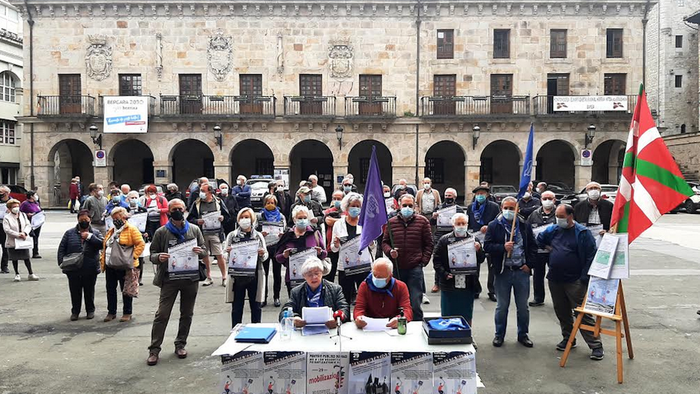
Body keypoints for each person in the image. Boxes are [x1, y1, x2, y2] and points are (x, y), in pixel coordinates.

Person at [536, 204, 604, 360]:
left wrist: (584, 279)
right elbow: (539, 239)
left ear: (570, 216)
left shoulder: (582, 233)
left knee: (582, 313)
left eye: (561, 217)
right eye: (557, 217)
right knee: (562, 311)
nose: (558, 219)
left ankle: (596, 345)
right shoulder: (553, 230)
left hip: (575, 280)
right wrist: (548, 246)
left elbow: (590, 257)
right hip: (555, 278)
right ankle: (568, 338)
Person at [147, 198, 207, 366]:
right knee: (162, 314)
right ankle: (154, 349)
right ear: (169, 211)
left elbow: (204, 250)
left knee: (187, 313)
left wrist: (200, 251)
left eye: (180, 208)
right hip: (169, 279)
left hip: (190, 278)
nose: (177, 211)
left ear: (185, 209)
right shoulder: (161, 232)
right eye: (174, 209)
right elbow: (152, 253)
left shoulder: (194, 230)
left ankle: (181, 344)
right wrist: (158, 257)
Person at [484, 196, 537, 348]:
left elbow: (533, 247)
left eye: (511, 208)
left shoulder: (524, 225)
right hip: (503, 272)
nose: (508, 211)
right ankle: (499, 334)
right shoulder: (494, 225)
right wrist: (502, 247)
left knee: (523, 307)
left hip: (521, 271)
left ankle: (523, 334)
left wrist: (529, 265)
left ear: (517, 209)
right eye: (506, 208)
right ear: (501, 208)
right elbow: (487, 246)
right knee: (502, 306)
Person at [381, 194, 433, 321]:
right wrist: (390, 252)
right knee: (396, 302)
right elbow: (385, 242)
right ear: (399, 205)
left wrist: (423, 261)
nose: (407, 208)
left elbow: (429, 244)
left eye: (410, 205)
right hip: (397, 267)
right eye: (405, 205)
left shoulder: (423, 221)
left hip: (415, 267)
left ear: (414, 206)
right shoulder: (391, 222)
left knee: (415, 302)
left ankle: (417, 326)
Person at [433, 213, 485, 327]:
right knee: (448, 313)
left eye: (463, 223)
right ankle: (448, 336)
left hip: (468, 283)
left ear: (467, 224)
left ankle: (467, 335)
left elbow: (481, 259)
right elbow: (436, 261)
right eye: (458, 224)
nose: (461, 226)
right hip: (449, 283)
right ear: (453, 225)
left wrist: (478, 250)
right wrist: (444, 274)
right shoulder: (444, 240)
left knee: (466, 313)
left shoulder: (473, 239)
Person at [100, 207, 145, 323]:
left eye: (117, 218)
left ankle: (127, 312)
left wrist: (133, 257)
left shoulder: (131, 229)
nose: (115, 220)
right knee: (110, 289)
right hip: (111, 264)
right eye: (113, 218)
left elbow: (140, 244)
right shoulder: (112, 230)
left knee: (126, 290)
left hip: (125, 265)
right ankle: (111, 312)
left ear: (124, 217)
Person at [57, 209, 104, 320]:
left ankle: (90, 311)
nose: (84, 221)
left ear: (90, 220)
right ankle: (75, 312)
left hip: (90, 267)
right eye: (81, 219)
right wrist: (62, 263)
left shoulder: (96, 233)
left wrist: (90, 237)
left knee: (89, 291)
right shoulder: (69, 233)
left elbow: (102, 245)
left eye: (86, 219)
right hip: (73, 268)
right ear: (78, 220)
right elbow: (61, 249)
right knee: (75, 291)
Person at [225, 207, 268, 327]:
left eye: (247, 217)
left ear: (252, 219)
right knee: (237, 307)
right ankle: (235, 331)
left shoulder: (258, 236)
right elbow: (224, 255)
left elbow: (265, 255)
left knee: (256, 306)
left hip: (254, 275)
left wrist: (262, 253)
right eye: (242, 217)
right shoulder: (232, 236)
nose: (244, 220)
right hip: (237, 277)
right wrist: (228, 253)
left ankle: (256, 330)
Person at [278, 257, 350, 327]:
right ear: (304, 276)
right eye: (309, 274)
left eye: (317, 273)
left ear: (322, 273)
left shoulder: (335, 289)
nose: (314, 277)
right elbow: (284, 312)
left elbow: (344, 309)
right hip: (305, 330)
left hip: (329, 329)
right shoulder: (296, 292)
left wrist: (337, 319)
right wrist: (294, 319)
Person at [275, 205, 328, 296]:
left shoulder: (315, 233)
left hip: (313, 278)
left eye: (305, 217)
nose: (302, 220)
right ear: (294, 219)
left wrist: (320, 252)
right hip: (293, 278)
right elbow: (278, 258)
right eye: (300, 218)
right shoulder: (288, 236)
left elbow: (324, 254)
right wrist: (284, 255)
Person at [187, 183, 230, 287]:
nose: (201, 193)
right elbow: (190, 219)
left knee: (219, 254)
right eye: (200, 191)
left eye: (203, 191)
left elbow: (227, 216)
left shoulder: (218, 202)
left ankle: (224, 277)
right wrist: (197, 221)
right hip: (202, 234)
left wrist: (222, 218)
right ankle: (209, 276)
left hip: (216, 232)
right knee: (205, 255)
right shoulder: (197, 203)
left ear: (210, 192)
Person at [330, 193, 369, 304]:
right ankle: (345, 318)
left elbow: (372, 246)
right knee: (345, 297)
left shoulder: (364, 223)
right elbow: (333, 249)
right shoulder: (338, 224)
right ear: (346, 207)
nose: (355, 209)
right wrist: (336, 244)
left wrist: (370, 242)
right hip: (345, 266)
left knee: (364, 297)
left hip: (362, 265)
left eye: (358, 206)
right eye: (353, 206)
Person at [353, 258, 413, 328]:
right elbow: (359, 308)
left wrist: (400, 319)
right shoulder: (365, 286)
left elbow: (407, 309)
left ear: (390, 276)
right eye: (374, 275)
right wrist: (359, 317)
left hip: (392, 327)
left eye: (380, 277)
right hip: (369, 327)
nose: (376, 278)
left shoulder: (400, 287)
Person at [467, 185, 501, 302]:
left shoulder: (494, 207)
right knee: (474, 265)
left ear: (487, 195)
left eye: (482, 194)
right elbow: (468, 223)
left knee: (492, 266)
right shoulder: (471, 207)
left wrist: (489, 226)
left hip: (490, 237)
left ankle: (492, 290)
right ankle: (476, 289)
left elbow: (498, 220)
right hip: (475, 238)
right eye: (477, 194)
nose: (480, 196)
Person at [525, 190, 557, 307]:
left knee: (555, 275)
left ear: (554, 200)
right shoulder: (534, 214)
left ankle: (558, 298)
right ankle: (538, 298)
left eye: (550, 198)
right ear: (540, 200)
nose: (547, 201)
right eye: (545, 198)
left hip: (554, 250)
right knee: (538, 275)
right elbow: (528, 230)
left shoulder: (559, 213)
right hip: (538, 250)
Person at [429, 188, 463, 293]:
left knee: (455, 259)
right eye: (446, 195)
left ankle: (456, 282)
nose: (448, 197)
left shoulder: (459, 209)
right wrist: (434, 217)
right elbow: (432, 223)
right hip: (440, 235)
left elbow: (464, 222)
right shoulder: (439, 208)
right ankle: (437, 283)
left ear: (455, 197)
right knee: (438, 258)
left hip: (454, 236)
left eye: (450, 195)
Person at [258, 195, 286, 307]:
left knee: (277, 273)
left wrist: (282, 235)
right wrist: (261, 233)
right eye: (268, 203)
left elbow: (285, 229)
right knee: (264, 273)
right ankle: (263, 298)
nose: (270, 205)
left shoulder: (281, 216)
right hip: (265, 247)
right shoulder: (260, 216)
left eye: (272, 203)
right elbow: (255, 230)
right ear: (264, 204)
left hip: (276, 246)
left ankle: (276, 297)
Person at [3, 199, 39, 282]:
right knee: (14, 258)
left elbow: (28, 225)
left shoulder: (22, 215)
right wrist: (18, 234)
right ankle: (17, 274)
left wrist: (25, 233)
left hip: (23, 239)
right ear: (10, 208)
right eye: (14, 207)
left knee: (26, 257)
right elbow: (7, 230)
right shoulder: (7, 218)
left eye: (17, 206)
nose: (16, 208)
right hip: (13, 240)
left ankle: (31, 273)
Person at [323, 190, 345, 283]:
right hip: (331, 247)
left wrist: (334, 220)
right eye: (334, 198)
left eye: (339, 199)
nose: (336, 200)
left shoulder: (347, 211)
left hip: (344, 247)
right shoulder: (328, 211)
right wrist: (341, 220)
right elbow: (328, 221)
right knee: (330, 272)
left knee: (344, 273)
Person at [20, 191, 43, 259]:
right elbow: (20, 212)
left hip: (37, 222)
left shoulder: (36, 203)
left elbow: (39, 210)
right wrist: (27, 214)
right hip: (29, 223)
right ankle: (22, 252)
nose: (36, 196)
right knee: (27, 236)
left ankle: (35, 252)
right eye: (35, 195)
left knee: (36, 237)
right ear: (31, 196)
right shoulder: (25, 203)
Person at [0, 185, 11, 273]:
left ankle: (4, 266)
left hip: (5, 227)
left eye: (1, 192)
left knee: (5, 247)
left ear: (7, 193)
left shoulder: (12, 202)